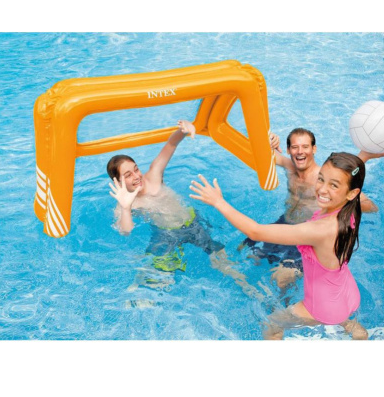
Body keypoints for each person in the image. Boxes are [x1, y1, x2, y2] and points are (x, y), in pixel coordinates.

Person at [189, 152, 378, 340]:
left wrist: (218, 202)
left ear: (352, 193)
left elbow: (255, 232)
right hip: (347, 293)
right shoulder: (349, 209)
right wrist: (363, 156)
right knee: (340, 315)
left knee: (272, 324)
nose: (322, 189)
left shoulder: (320, 230)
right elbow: (349, 180)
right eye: (321, 179)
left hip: (323, 307)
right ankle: (356, 330)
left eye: (333, 185)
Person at [107, 120, 265, 300]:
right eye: (128, 175)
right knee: (162, 274)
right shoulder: (125, 204)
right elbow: (126, 231)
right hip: (166, 234)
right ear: (118, 182)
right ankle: (141, 286)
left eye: (136, 169)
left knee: (221, 262)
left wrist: (183, 131)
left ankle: (248, 288)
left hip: (192, 222)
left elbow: (171, 145)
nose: (137, 176)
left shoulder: (153, 175)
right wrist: (126, 207)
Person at [241, 128, 383, 290]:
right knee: (245, 256)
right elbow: (258, 154)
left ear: (314, 149)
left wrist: (345, 199)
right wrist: (267, 141)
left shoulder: (322, 179)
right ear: (288, 150)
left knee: (280, 281)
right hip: (284, 223)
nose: (300, 151)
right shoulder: (290, 167)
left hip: (306, 235)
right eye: (295, 147)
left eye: (305, 146)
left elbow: (370, 206)